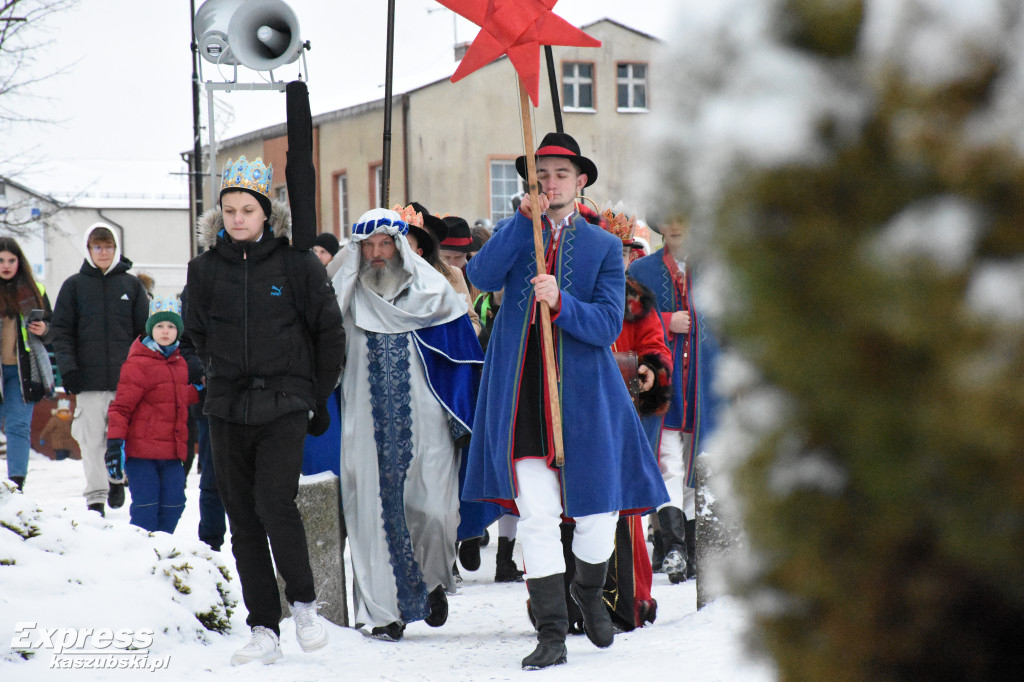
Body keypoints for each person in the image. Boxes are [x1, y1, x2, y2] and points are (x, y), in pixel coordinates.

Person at [463, 132, 668, 670]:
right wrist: (517, 223)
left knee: (597, 512)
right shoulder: (516, 235)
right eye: (539, 175)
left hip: (585, 396)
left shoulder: (602, 247)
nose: (549, 183)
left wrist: (562, 303)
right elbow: (479, 276)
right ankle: (551, 632)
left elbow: (604, 324)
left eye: (559, 174)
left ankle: (590, 591)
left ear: (580, 183)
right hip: (523, 394)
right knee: (538, 515)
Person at [185, 156, 344, 665]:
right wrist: (213, 368)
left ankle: (303, 605)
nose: (237, 218)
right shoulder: (204, 269)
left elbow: (328, 334)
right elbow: (194, 334)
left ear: (266, 214)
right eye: (229, 210)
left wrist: (313, 395)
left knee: (276, 502)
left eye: (247, 210)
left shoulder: (297, 265)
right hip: (228, 406)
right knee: (243, 518)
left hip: (284, 403)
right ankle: (262, 628)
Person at [333, 208, 483, 642]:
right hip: (364, 423)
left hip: (428, 422)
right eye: (369, 246)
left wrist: (463, 421)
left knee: (434, 512)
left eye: (385, 244)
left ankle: (433, 581)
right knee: (370, 515)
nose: (377, 254)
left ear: (401, 247)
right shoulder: (344, 297)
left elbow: (464, 360)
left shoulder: (434, 293)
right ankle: (383, 614)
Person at [628, 215, 722, 584]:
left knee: (697, 465)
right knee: (667, 461)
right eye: (669, 218)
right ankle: (673, 548)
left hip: (706, 379)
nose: (677, 225)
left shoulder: (716, 265)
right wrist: (666, 320)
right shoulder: (642, 268)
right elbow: (629, 319)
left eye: (684, 217)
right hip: (660, 378)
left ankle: (694, 550)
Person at [51, 224, 149, 514]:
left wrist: (142, 373)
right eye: (98, 247)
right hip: (88, 381)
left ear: (116, 249)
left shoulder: (131, 286)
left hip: (125, 382)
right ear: (88, 249)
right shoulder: (73, 286)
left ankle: (116, 478)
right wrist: (69, 369)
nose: (103, 252)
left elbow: (144, 334)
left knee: (122, 437)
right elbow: (62, 332)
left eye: (108, 247)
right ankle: (96, 497)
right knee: (91, 440)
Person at [105, 296, 199, 533]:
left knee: (175, 504)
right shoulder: (138, 363)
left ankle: (161, 550)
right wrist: (115, 444)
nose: (165, 331)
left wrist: (199, 391)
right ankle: (141, 554)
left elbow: (174, 396)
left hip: (171, 453)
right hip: (141, 454)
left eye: (171, 326)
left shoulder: (179, 363)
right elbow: (121, 407)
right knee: (146, 507)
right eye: (159, 326)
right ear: (150, 329)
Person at [0, 236, 56, 491]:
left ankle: (16, 484)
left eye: (11, 260)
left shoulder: (35, 290)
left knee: (18, 426)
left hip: (24, 370)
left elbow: (54, 330)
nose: (6, 266)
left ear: (19, 262)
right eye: (1, 261)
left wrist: (44, 328)